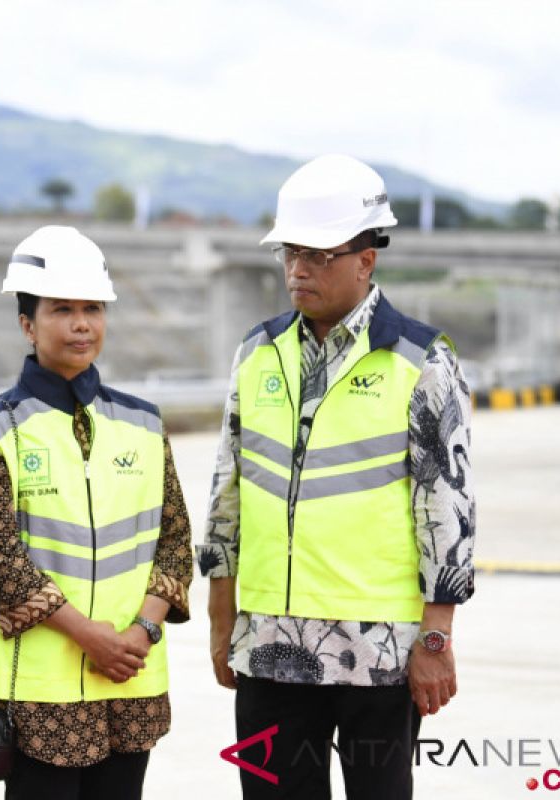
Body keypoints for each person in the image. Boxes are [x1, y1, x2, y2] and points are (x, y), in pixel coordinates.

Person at [199, 154, 475, 799]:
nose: (299, 268)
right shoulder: (256, 351)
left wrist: (436, 638)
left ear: (366, 259)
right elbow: (227, 494)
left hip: (377, 651)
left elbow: (448, 511)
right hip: (267, 646)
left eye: (319, 255)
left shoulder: (422, 362)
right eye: (291, 252)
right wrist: (221, 620)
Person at [0, 226, 193, 800]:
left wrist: (141, 629)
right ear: (27, 323)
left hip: (129, 679)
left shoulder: (142, 422)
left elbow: (176, 540)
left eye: (92, 308)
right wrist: (93, 639)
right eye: (62, 309)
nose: (81, 324)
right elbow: (0, 563)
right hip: (39, 693)